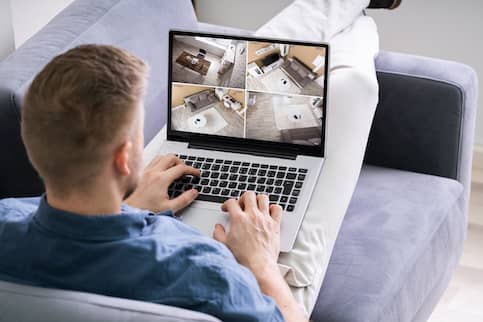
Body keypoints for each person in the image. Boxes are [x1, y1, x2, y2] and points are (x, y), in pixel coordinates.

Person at [0, 0, 397, 320]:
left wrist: (127, 210)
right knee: (353, 90)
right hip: (270, 291)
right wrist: (260, 264)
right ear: (124, 159)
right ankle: (355, 12)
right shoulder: (205, 269)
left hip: (112, 226)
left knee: (253, 67)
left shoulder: (5, 223)